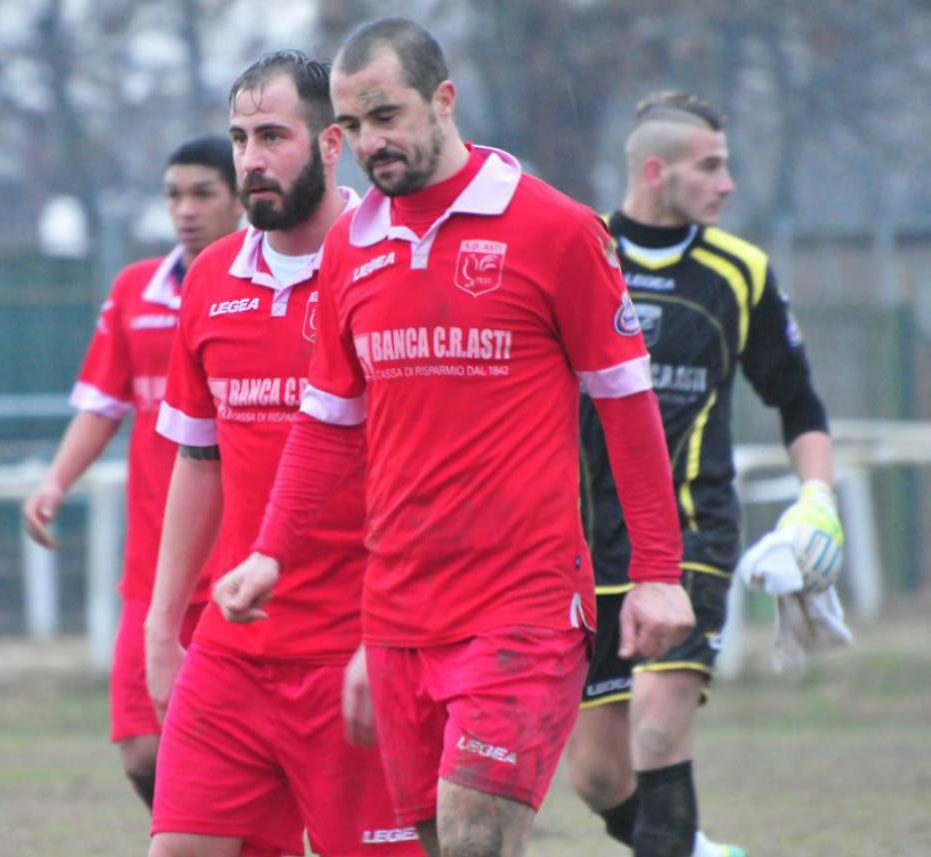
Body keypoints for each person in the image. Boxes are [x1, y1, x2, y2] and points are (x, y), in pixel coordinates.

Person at [212, 19, 695, 857]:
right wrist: (271, 552)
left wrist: (656, 573)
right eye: (354, 128)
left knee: (474, 833)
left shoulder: (555, 230)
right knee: (442, 845)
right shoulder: (350, 252)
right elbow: (328, 424)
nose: (372, 144)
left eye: (388, 116)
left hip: (523, 605)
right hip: (398, 612)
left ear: (444, 99)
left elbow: (627, 406)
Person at [145, 50, 421, 857]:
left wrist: (390, 638)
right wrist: (166, 626)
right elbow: (199, 463)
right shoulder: (211, 279)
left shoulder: (393, 266)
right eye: (239, 138)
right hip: (233, 653)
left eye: (273, 135)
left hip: (358, 651)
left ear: (334, 144)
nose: (251, 161)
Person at [568, 91, 841, 857]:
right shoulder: (579, 253)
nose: (727, 184)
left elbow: (799, 402)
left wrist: (816, 502)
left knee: (658, 726)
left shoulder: (739, 271)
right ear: (656, 171)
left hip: (693, 530)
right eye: (711, 166)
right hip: (586, 542)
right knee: (596, 775)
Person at [21, 134, 242, 809]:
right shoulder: (134, 291)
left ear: (240, 199)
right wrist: (56, 482)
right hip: (155, 571)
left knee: (247, 751)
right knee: (145, 749)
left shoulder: (261, 290)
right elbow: (101, 405)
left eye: (203, 192)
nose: (185, 209)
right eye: (174, 194)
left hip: (243, 571)